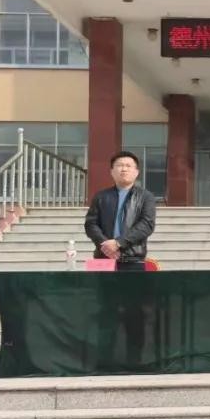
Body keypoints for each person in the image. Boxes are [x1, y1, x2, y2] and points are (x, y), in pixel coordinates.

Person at [84, 151, 157, 369]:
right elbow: (91, 224)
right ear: (111, 171)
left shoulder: (145, 197)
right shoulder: (101, 197)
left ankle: (135, 360)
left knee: (135, 314)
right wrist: (104, 244)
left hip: (133, 261)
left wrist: (119, 243)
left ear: (136, 172)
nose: (123, 169)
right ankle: (104, 360)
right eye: (119, 165)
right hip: (104, 261)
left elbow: (146, 225)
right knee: (105, 312)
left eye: (128, 165)